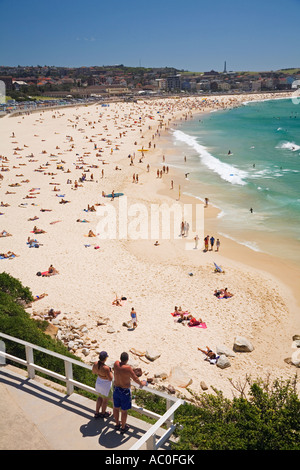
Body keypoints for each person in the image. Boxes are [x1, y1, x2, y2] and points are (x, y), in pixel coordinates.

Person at [113, 352, 147, 434]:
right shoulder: (128, 368)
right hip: (125, 392)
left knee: (116, 408)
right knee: (124, 411)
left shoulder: (116, 364)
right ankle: (123, 427)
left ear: (120, 358)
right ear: (127, 359)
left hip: (116, 389)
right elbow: (135, 378)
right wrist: (141, 383)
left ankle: (117, 424)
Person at [92, 351, 113, 419]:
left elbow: (93, 372)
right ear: (105, 358)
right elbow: (110, 378)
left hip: (99, 382)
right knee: (105, 400)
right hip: (105, 385)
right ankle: (103, 413)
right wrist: (111, 371)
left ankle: (97, 412)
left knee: (99, 397)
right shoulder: (106, 368)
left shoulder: (95, 364)